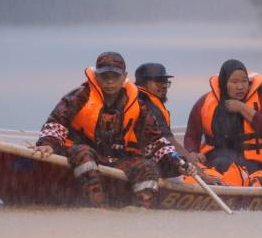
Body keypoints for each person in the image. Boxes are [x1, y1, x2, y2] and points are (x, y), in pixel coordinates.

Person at [31, 51, 193, 207]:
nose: (110, 82)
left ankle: (140, 211)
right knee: (83, 153)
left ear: (124, 77)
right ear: (96, 76)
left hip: (117, 159)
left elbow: (155, 140)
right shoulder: (80, 96)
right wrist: (48, 143)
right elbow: (57, 123)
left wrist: (176, 162)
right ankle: (96, 206)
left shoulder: (138, 106)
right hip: (84, 153)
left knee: (147, 168)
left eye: (114, 76)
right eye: (105, 77)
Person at [184, 58, 262, 185]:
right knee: (221, 162)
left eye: (244, 81)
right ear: (224, 83)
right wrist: (192, 152)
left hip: (255, 161)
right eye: (234, 82)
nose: (240, 86)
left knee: (227, 165)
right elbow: (192, 135)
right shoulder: (205, 102)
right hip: (217, 157)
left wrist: (243, 109)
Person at [134, 62, 223, 185]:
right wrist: (203, 176)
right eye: (158, 81)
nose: (164, 85)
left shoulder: (139, 101)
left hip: (139, 159)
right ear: (142, 84)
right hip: (145, 164)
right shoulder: (149, 108)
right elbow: (172, 144)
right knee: (207, 175)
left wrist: (190, 156)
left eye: (165, 82)